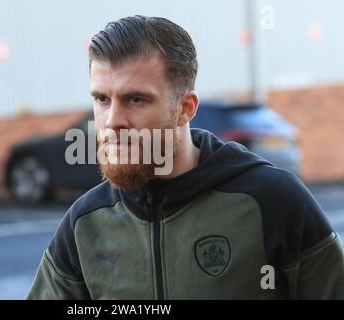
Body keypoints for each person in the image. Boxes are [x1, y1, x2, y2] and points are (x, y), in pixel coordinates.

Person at [26, 15, 344, 299]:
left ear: (185, 108)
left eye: (135, 99)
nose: (111, 120)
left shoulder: (272, 202)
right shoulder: (84, 226)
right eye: (102, 99)